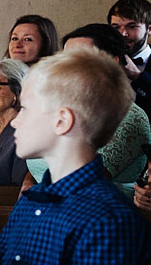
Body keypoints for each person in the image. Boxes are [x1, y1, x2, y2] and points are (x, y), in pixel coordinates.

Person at [0, 48, 151, 265]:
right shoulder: (30, 200)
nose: (15, 121)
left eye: (25, 108)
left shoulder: (108, 221)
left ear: (62, 121)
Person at [22, 24, 151, 199]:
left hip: (97, 217)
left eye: (79, 58)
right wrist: (28, 181)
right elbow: (41, 160)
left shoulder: (127, 117)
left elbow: (85, 180)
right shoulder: (65, 109)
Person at [107, 0, 151, 118]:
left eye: (131, 27)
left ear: (149, 29)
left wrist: (139, 76)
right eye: (116, 27)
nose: (123, 34)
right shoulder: (103, 59)